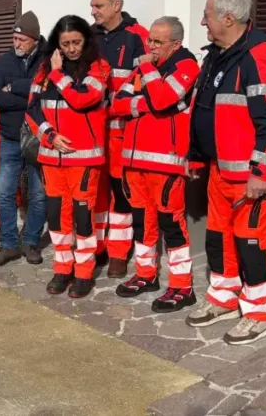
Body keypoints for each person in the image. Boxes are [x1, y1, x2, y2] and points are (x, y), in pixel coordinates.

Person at [185, 0, 266, 345]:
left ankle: (259, 312)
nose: (203, 21)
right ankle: (223, 298)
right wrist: (197, 155)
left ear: (228, 18)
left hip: (251, 178)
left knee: (252, 244)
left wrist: (261, 174)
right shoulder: (218, 56)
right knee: (219, 240)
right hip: (221, 171)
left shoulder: (261, 56)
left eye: (208, 15)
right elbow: (204, 111)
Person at [109, 17, 199, 312]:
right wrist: (143, 102)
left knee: (171, 226)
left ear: (177, 44)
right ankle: (146, 275)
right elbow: (117, 103)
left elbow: (162, 99)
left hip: (166, 165)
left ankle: (182, 285)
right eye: (150, 41)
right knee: (141, 224)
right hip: (135, 163)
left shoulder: (186, 66)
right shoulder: (145, 67)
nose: (151, 47)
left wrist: (145, 77)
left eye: (158, 42)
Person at [25, 15, 111, 299]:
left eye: (76, 42)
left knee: (83, 219)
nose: (72, 48)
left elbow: (83, 98)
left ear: (86, 41)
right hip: (52, 157)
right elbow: (32, 108)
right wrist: (49, 135)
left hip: (84, 159)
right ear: (57, 45)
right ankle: (63, 269)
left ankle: (84, 273)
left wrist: (58, 74)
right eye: (66, 44)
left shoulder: (99, 67)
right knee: (57, 219)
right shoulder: (43, 69)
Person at [91, 0, 150, 278]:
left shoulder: (139, 37)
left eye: (98, 6)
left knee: (120, 193)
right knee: (94, 192)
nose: (93, 11)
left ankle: (118, 253)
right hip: (91, 132)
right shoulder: (88, 36)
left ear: (116, 5)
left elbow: (149, 82)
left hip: (122, 133)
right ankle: (98, 247)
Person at [0, 11, 47, 267]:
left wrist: (15, 87)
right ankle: (8, 244)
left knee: (39, 194)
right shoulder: (4, 61)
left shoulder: (47, 59)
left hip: (38, 137)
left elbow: (46, 92)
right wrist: (29, 91)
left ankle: (30, 241)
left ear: (34, 39)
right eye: (14, 38)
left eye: (22, 39)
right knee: (4, 192)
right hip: (10, 137)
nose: (16, 43)